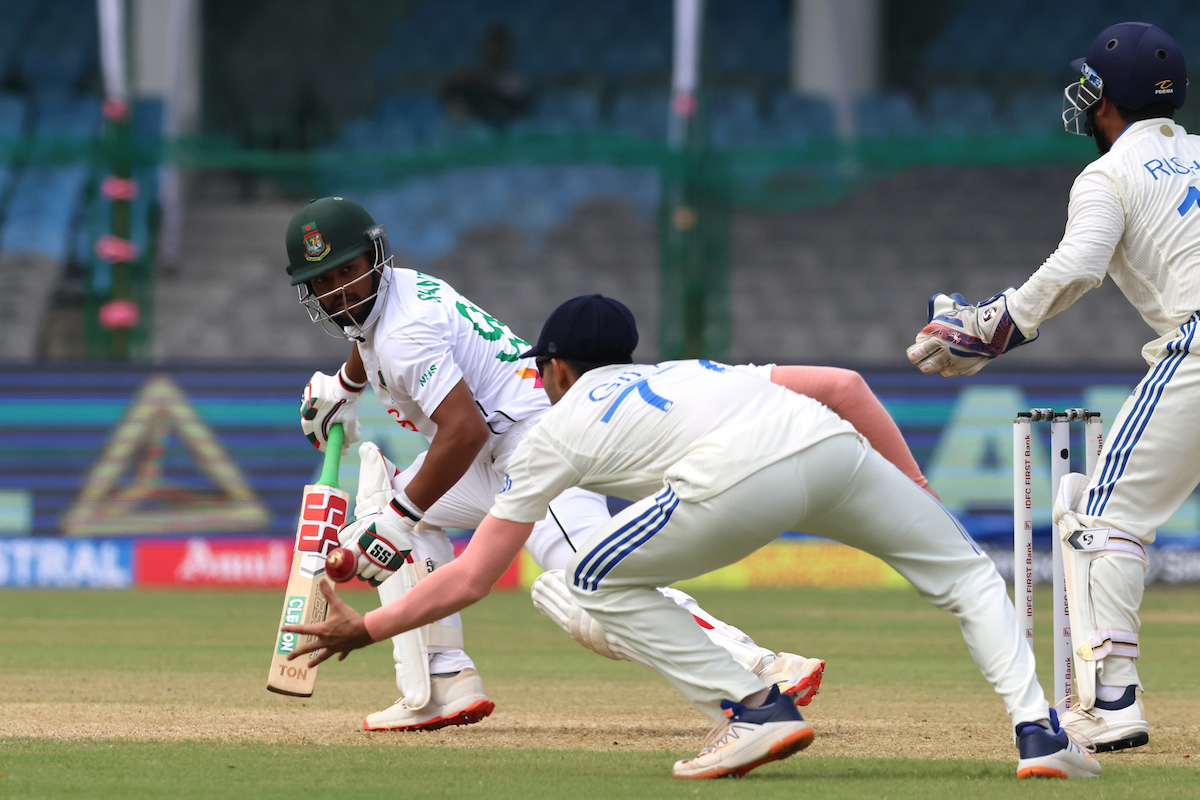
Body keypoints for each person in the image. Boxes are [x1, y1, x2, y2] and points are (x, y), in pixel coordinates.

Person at [284, 294, 1100, 780]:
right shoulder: (693, 370)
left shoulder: (557, 431)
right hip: (831, 450)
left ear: (556, 370)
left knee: (576, 582)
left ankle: (755, 707)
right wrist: (912, 491)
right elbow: (847, 386)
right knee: (966, 577)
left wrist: (368, 627)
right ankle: (1039, 732)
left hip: (732, 483)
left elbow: (469, 580)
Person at [286, 197, 839, 732]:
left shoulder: (406, 332)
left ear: (374, 259)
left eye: (348, 273)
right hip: (495, 449)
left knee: (595, 581)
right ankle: (444, 678)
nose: (339, 293)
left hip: (538, 442)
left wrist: (399, 521)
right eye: (324, 283)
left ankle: (763, 667)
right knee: (398, 510)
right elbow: (367, 334)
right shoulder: (388, 296)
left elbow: (462, 430)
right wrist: (345, 384)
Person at [905, 21, 1192, 753]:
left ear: (1108, 99)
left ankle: (1113, 700)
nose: (1083, 100)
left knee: (1098, 516)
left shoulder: (1109, 174)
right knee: (1100, 509)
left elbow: (1078, 265)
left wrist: (987, 329)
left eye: (1090, 86)